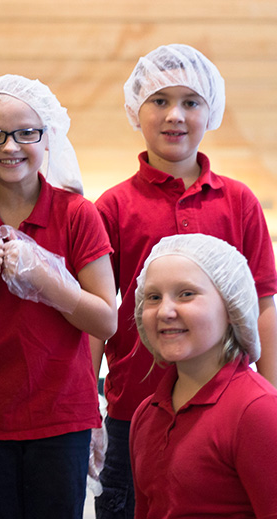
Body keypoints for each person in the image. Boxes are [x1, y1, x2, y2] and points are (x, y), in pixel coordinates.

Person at [92, 43, 277, 519]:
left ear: (209, 110)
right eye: (160, 100)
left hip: (227, 411)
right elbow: (95, 315)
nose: (175, 115)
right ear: (137, 109)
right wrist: (84, 408)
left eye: (190, 102)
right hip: (132, 412)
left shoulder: (240, 201)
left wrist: (272, 396)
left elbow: (263, 306)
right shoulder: (111, 208)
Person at [0, 74, 117, 519]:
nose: (10, 146)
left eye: (25, 133)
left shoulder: (78, 215)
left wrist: (48, 279)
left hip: (62, 416)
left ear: (47, 136)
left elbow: (105, 321)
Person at [129, 233, 277, 518]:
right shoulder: (146, 415)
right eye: (153, 297)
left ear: (232, 308)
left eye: (186, 294)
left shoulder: (257, 411)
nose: (165, 311)